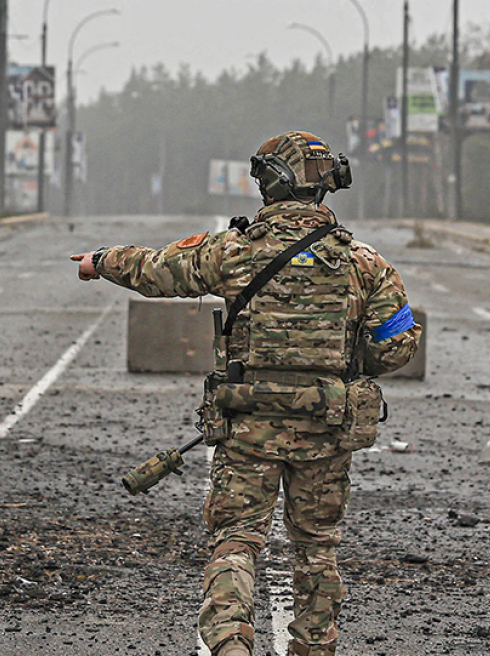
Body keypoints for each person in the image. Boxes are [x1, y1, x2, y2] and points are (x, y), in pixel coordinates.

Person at [71, 131, 420, 656]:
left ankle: (232, 646)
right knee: (317, 550)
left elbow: (159, 270)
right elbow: (398, 346)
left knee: (236, 539)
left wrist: (101, 259)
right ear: (327, 186)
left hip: (247, 426)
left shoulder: (234, 251)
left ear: (269, 182)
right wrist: (343, 363)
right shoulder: (365, 263)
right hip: (326, 430)